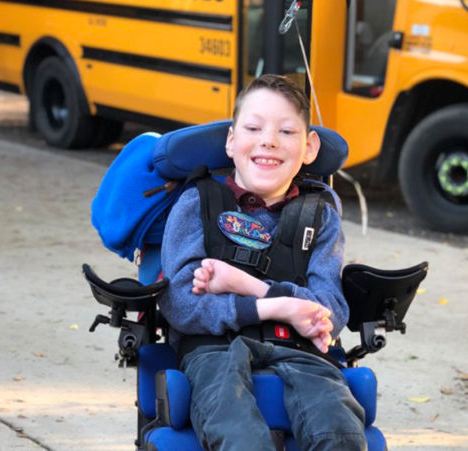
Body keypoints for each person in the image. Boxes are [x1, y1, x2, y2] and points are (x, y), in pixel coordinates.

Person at [158, 74, 366, 450]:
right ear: (231, 139)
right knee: (241, 437)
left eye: (286, 131)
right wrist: (280, 307)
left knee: (340, 433)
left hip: (303, 352)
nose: (269, 140)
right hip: (214, 349)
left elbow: (330, 311)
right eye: (254, 127)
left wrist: (249, 286)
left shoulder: (320, 214)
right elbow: (182, 303)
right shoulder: (196, 203)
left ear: (309, 147)